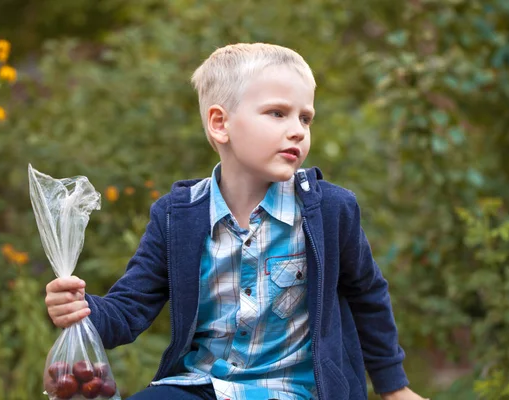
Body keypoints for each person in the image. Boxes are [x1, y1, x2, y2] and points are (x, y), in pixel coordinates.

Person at [45, 43, 427, 400]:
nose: (297, 129)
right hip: (202, 384)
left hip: (295, 389)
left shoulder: (330, 210)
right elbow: (129, 310)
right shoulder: (177, 216)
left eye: (305, 117)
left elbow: (367, 295)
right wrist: (81, 310)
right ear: (219, 124)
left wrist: (394, 387)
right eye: (277, 113)